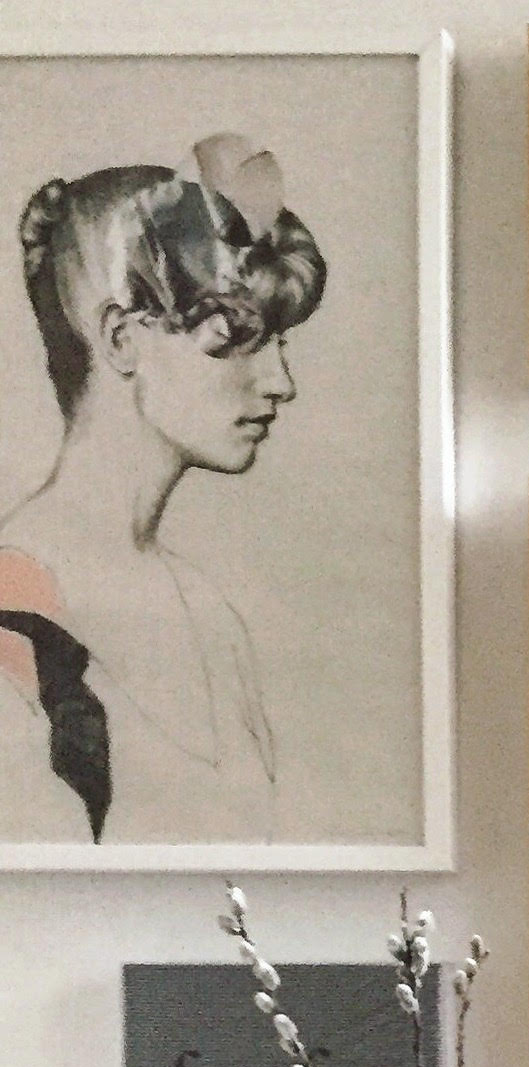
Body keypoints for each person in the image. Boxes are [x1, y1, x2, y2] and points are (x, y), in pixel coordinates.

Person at [0, 139, 324, 844]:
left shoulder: (210, 616)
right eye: (233, 339)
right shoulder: (17, 606)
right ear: (121, 339)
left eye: (279, 343)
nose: (280, 383)